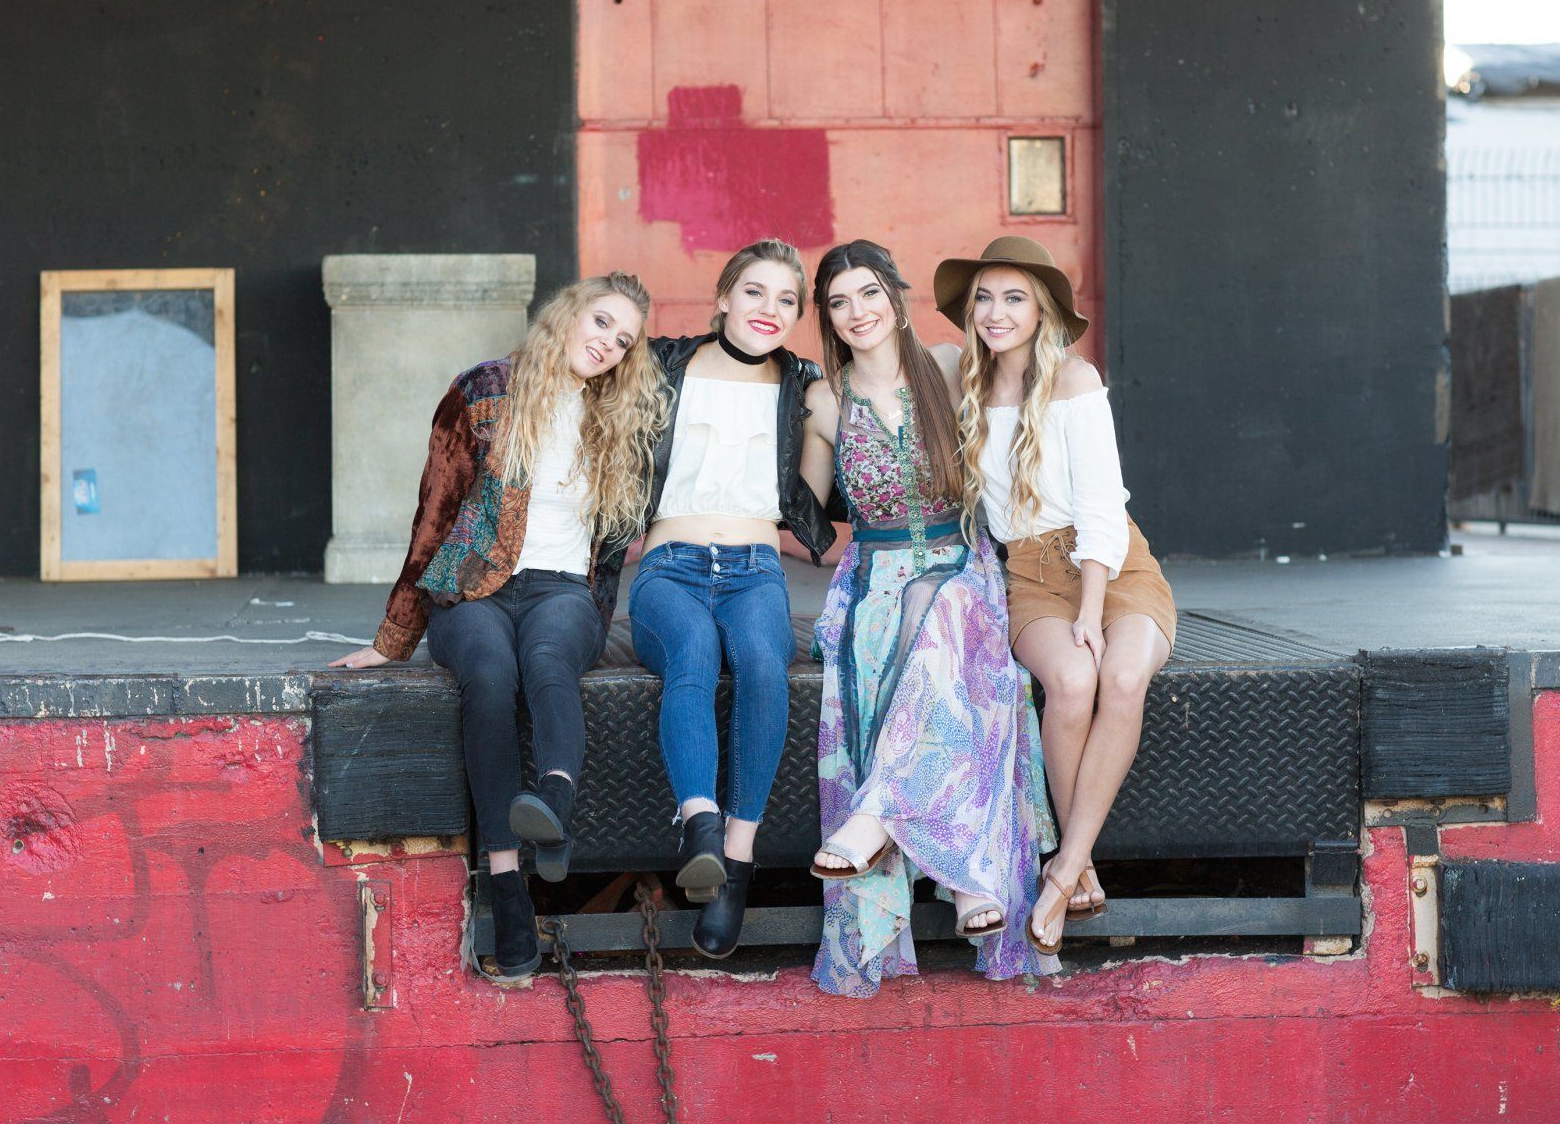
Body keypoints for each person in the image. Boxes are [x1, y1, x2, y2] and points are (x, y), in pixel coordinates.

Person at [330, 271, 668, 983]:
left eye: (624, 340)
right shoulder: (483, 390)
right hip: (472, 587)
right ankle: (508, 884)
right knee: (489, 673)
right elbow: (435, 513)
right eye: (601, 322)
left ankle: (554, 809)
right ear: (569, 315)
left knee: (548, 660)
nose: (608, 344)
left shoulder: (621, 420)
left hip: (561, 592)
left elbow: (608, 552)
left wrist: (587, 620)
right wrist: (392, 639)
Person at [799, 239, 1057, 997]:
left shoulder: (948, 364)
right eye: (839, 302)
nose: (857, 313)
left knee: (944, 614)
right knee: (908, 632)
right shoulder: (822, 398)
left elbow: (1033, 385)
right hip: (873, 575)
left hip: (963, 562)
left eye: (869, 293)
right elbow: (807, 519)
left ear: (897, 294)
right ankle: (968, 874)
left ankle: (887, 823)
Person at [937, 235, 1177, 958]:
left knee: (1122, 674)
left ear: (1042, 311)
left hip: (1113, 564)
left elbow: (1104, 506)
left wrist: (1093, 610)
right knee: (1070, 685)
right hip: (1029, 573)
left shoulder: (1073, 380)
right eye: (984, 297)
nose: (996, 312)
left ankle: (1065, 867)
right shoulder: (966, 386)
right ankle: (1083, 864)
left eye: (1015, 298)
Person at [629, 239, 835, 959]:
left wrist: (826, 418)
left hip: (755, 568)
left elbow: (806, 512)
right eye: (754, 293)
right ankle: (699, 824)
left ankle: (734, 867)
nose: (768, 310)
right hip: (669, 566)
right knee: (691, 650)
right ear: (722, 298)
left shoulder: (801, 386)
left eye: (786, 300)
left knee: (758, 661)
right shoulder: (658, 365)